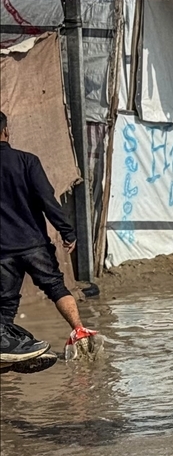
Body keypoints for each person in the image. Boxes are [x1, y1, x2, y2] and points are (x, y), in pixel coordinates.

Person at [0, 111, 98, 361]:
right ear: (6, 131)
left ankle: (7, 355)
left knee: (5, 304)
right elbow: (46, 200)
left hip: (2, 252)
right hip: (34, 244)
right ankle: (80, 332)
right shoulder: (26, 161)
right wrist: (67, 231)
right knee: (56, 286)